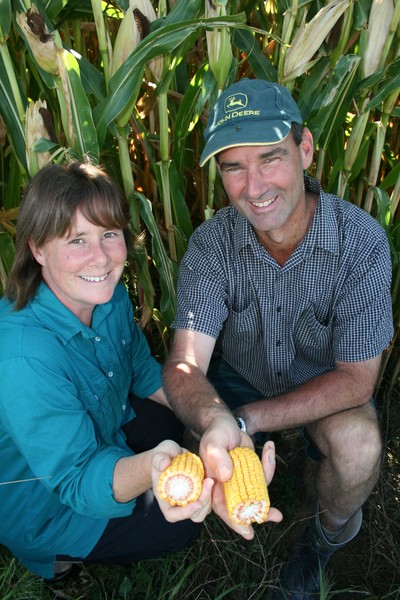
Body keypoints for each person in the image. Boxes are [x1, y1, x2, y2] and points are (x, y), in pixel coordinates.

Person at [163, 78, 394, 599]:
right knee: (190, 445)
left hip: (324, 382)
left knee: (359, 447)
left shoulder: (360, 243)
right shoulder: (211, 244)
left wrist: (246, 421)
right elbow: (185, 365)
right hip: (239, 375)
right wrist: (215, 419)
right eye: (233, 167)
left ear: (306, 148)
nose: (254, 185)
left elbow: (357, 380)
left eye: (270, 158)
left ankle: (322, 540)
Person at [0, 161, 282, 582]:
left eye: (109, 234)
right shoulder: (23, 358)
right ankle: (58, 564)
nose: (101, 257)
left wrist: (216, 422)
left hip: (106, 429)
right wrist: (153, 467)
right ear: (38, 249)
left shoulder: (106, 299)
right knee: (181, 525)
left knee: (180, 418)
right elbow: (77, 479)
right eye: (77, 239)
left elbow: (141, 373)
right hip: (48, 504)